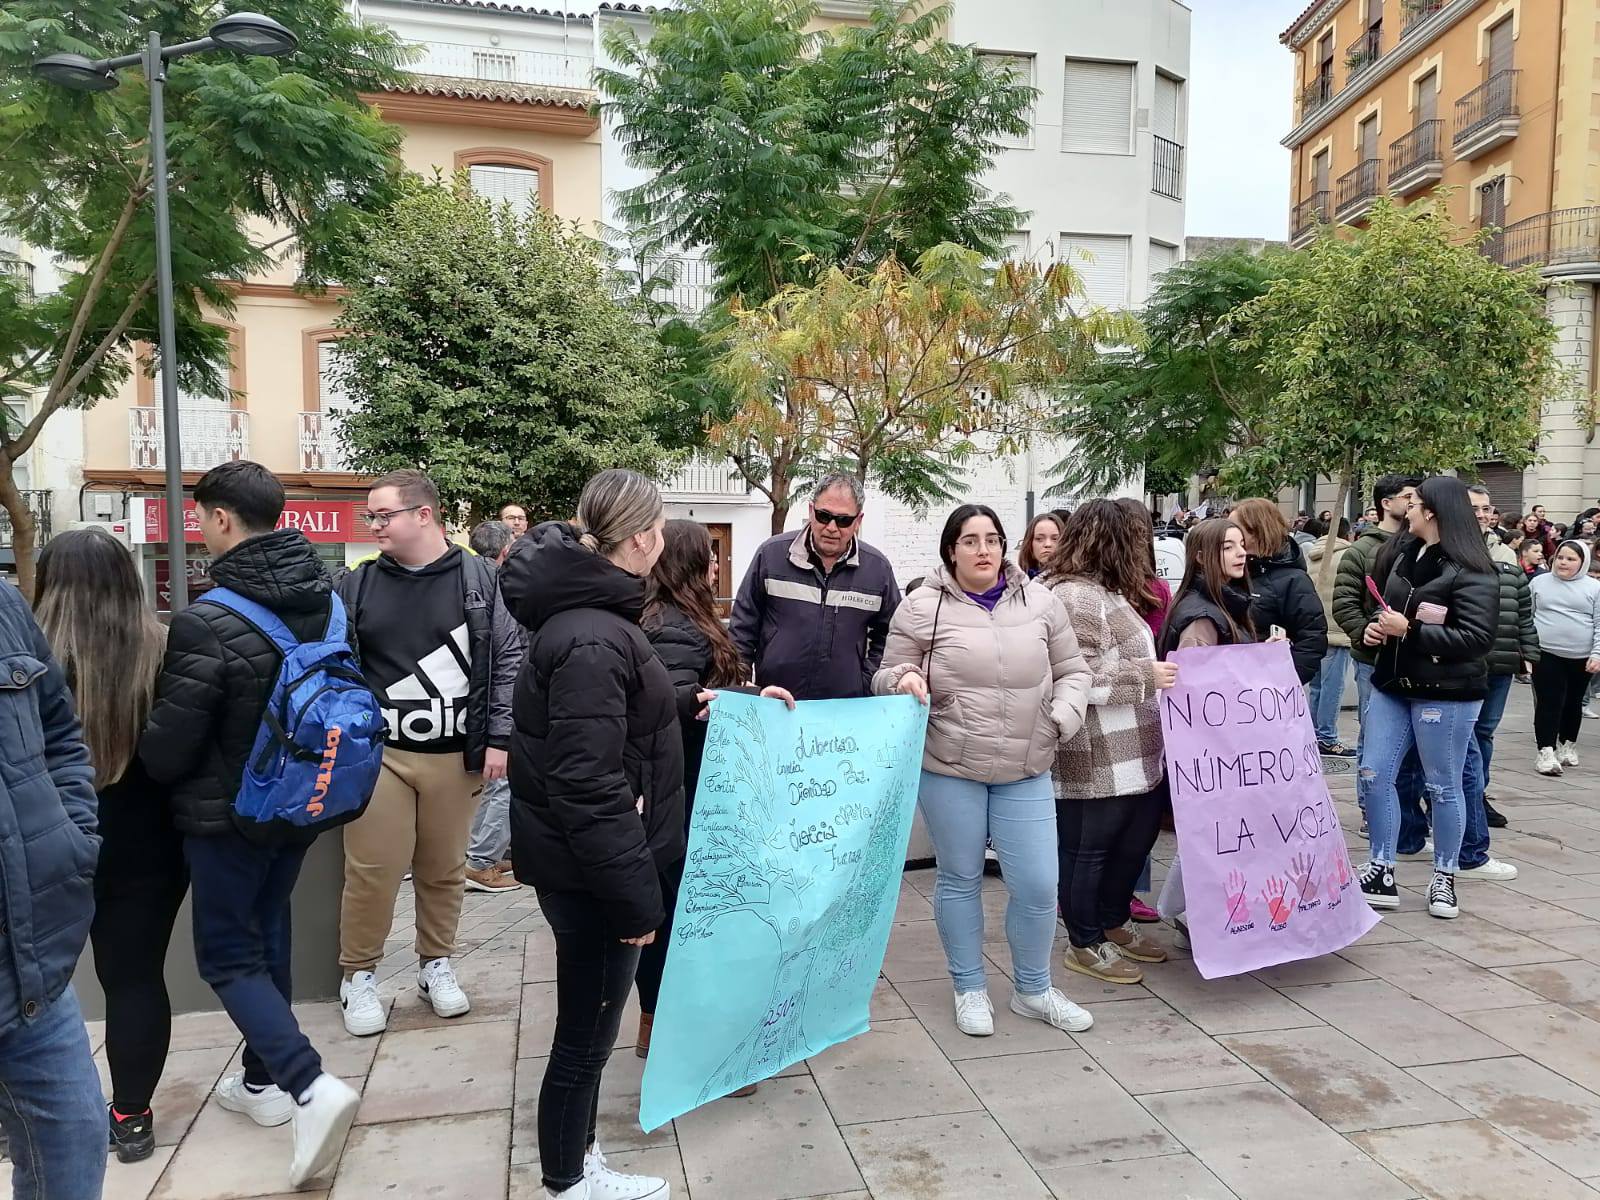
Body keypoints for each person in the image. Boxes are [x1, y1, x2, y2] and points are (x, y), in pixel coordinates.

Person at [140, 461, 360, 1185]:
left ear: (223, 519)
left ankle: (308, 1083)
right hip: (302, 804)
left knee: (229, 957)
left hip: (227, 819)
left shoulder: (205, 620)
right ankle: (262, 1081)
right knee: (269, 931)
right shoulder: (328, 603)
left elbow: (169, 750)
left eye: (201, 518)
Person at [500, 470, 683, 1200]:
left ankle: (580, 1157)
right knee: (585, 1035)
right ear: (640, 538)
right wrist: (635, 898)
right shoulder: (592, 637)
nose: (663, 538)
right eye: (659, 526)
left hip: (591, 864)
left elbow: (614, 728)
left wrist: (697, 700)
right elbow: (587, 781)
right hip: (595, 874)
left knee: (589, 1028)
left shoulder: (593, 623)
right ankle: (568, 1179)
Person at [874, 504, 1094, 1036]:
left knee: (1039, 884)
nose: (983, 550)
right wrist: (903, 679)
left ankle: (1033, 990)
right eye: (970, 541)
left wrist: (1060, 719)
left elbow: (1073, 670)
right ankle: (969, 986)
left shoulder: (1041, 602)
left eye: (992, 539)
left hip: (1027, 765)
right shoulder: (921, 607)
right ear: (951, 550)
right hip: (951, 766)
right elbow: (884, 674)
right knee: (960, 877)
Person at [335, 470, 521, 1036]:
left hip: (456, 753)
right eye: (370, 516)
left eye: (383, 515)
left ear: (424, 515)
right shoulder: (357, 585)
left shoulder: (481, 578)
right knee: (372, 869)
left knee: (444, 869)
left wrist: (500, 737)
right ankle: (358, 974)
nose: (374, 525)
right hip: (381, 753)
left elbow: (508, 659)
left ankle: (435, 963)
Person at [631, 521, 793, 1096]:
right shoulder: (678, 626)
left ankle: (655, 1025)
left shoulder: (662, 617)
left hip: (679, 791)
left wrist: (745, 696)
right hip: (691, 793)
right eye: (709, 556)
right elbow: (676, 702)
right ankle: (702, 1046)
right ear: (689, 564)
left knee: (672, 913)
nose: (718, 566)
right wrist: (735, 698)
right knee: (696, 916)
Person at [34, 530, 174, 1165]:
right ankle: (132, 1117)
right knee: (135, 977)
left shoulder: (26, 658)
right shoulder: (165, 650)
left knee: (27, 987)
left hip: (46, 841)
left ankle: (19, 1115)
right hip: (148, 844)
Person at [1046, 502, 1176, 985]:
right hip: (1094, 752)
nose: (1143, 547)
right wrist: (1145, 676)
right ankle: (1084, 941)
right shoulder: (1074, 596)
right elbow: (1075, 675)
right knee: (1089, 852)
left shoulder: (1107, 592)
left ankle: (1113, 921)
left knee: (1131, 846)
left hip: (1133, 752)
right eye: (1135, 538)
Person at [1356, 477, 1497, 921]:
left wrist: (1411, 631)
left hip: (1447, 692)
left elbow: (1476, 638)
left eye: (1414, 503)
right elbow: (1387, 611)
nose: (1407, 509)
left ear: (1433, 511)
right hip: (1392, 684)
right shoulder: (1403, 554)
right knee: (1374, 773)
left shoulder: (1474, 569)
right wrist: (1376, 629)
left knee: (1442, 784)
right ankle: (1381, 867)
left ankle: (1445, 875)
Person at [730, 473, 900, 700]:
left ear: (858, 520)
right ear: (811, 510)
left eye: (843, 520)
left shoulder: (877, 570)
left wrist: (866, 681)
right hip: (774, 701)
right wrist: (742, 687)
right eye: (823, 516)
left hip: (846, 708)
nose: (831, 527)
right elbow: (742, 628)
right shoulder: (771, 556)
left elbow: (892, 635)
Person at [1334, 475, 1426, 836]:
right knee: (1373, 736)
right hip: (1372, 660)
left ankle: (1409, 812)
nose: (1414, 503)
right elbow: (1344, 603)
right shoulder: (1360, 551)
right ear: (1386, 504)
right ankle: (1370, 808)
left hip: (1416, 658)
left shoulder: (1425, 545)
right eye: (1408, 497)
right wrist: (1364, 631)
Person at [1453, 486, 1532, 876]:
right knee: (1463, 739)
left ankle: (1476, 796)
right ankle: (1455, 808)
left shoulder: (1505, 554)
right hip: (1464, 661)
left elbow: (1521, 608)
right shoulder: (1451, 552)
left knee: (1483, 734)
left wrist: (1526, 652)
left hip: (1499, 660)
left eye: (1487, 509)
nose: (1483, 515)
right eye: (1475, 508)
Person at [464, 520, 527, 893]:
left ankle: (484, 854)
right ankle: (480, 860)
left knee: (491, 784)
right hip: (498, 700)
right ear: (505, 551)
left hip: (470, 700)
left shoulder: (464, 579)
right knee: (502, 782)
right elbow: (509, 654)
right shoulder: (500, 585)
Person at [1232, 498, 1328, 683]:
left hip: (1267, 690)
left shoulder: (1294, 580)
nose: (1227, 532)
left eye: (1235, 528)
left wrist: (1282, 681)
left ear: (1257, 531)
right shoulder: (1230, 572)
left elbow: (1311, 640)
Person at [1529, 540, 1600, 776]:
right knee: (1549, 701)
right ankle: (1545, 750)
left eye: (1571, 559)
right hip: (1545, 652)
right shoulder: (1539, 582)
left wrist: (1597, 653)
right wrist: (1526, 650)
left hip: (1581, 657)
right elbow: (1528, 615)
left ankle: (1568, 743)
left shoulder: (1594, 588)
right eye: (1560, 557)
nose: (1563, 563)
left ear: (1582, 562)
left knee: (1573, 701)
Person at [1303, 518, 1354, 756]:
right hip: (1336, 630)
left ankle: (1314, 733)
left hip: (1315, 629)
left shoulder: (1312, 554)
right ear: (1347, 533)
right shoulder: (1347, 555)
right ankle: (1327, 736)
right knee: (1332, 688)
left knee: (1316, 688)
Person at [1018, 512, 1065, 578]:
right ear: (1029, 544)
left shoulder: (1074, 581)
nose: (1048, 544)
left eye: (1055, 539)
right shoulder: (1015, 580)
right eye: (1039, 539)